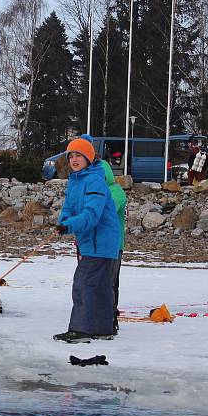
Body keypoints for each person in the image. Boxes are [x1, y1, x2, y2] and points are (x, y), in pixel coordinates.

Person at [53, 138, 121, 343]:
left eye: (78, 155)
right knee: (100, 286)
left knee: (83, 284)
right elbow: (68, 209)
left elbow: (91, 215)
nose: (74, 160)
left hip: (101, 241)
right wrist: (63, 223)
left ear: (89, 158)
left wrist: (70, 225)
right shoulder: (75, 181)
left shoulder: (94, 180)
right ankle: (103, 329)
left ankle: (81, 329)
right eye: (71, 156)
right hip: (91, 242)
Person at [99, 158, 126, 335]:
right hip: (96, 246)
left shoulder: (116, 191)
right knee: (97, 283)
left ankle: (110, 318)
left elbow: (105, 210)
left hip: (113, 246)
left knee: (110, 283)